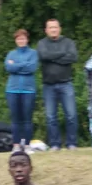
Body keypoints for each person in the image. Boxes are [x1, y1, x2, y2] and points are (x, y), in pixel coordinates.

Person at [36, 20, 79, 150]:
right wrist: (62, 54)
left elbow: (73, 57)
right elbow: (43, 55)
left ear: (59, 29)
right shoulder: (42, 43)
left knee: (71, 115)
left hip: (66, 83)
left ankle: (72, 143)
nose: (53, 29)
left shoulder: (68, 42)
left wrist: (52, 58)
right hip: (48, 85)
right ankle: (55, 144)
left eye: (55, 27)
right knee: (50, 117)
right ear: (46, 30)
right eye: (50, 27)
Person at [4, 29, 39, 148]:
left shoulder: (33, 53)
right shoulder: (11, 53)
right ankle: (16, 145)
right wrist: (23, 64)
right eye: (19, 39)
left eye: (23, 38)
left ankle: (27, 145)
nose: (21, 41)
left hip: (28, 90)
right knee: (15, 119)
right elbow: (8, 68)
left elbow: (32, 68)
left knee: (27, 119)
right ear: (15, 40)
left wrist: (16, 65)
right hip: (12, 90)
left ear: (27, 39)